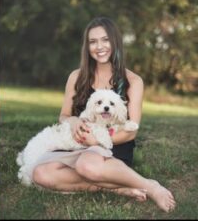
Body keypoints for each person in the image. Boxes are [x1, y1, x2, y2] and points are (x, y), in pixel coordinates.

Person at [31, 17, 176, 213]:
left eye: (105, 39)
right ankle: (120, 188)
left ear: (115, 41)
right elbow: (64, 115)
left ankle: (150, 186)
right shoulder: (76, 77)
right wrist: (73, 121)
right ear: (87, 46)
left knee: (87, 166)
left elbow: (130, 132)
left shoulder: (133, 81)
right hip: (77, 146)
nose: (99, 46)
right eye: (93, 41)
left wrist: (97, 140)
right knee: (40, 174)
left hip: (112, 150)